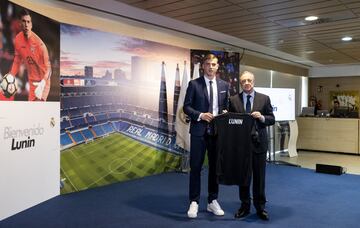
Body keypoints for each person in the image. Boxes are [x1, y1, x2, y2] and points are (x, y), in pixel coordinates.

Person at [183, 53, 229, 218]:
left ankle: (212, 201)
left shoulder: (225, 85)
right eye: (208, 64)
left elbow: (226, 106)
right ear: (203, 66)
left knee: (215, 169)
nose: (211, 67)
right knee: (196, 167)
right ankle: (194, 201)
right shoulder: (194, 84)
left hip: (217, 133)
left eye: (214, 64)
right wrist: (201, 115)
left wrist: (225, 112)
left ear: (217, 67)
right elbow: (186, 107)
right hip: (198, 132)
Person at [229, 71, 275, 221]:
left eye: (249, 80)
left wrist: (261, 117)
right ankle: (245, 206)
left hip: (259, 144)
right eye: (243, 81)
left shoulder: (264, 98)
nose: (247, 83)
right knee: (243, 177)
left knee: (259, 177)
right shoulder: (233, 100)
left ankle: (260, 207)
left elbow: (271, 119)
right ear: (240, 84)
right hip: (241, 145)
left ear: (253, 82)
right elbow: (231, 122)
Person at [5, 9, 51, 101]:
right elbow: (17, 61)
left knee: (38, 109)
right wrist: (11, 76)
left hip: (42, 83)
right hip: (32, 82)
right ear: (19, 24)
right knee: (32, 111)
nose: (26, 24)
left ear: (31, 24)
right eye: (23, 21)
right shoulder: (18, 39)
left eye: (28, 22)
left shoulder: (39, 45)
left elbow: (49, 69)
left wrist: (43, 82)